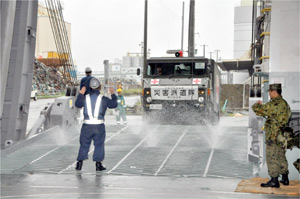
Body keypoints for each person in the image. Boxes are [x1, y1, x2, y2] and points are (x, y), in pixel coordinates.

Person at [252, 83, 291, 188]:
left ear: (274, 92)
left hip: (273, 135)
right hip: (283, 136)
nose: (269, 93)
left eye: (269, 91)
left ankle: (274, 180)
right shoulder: (285, 103)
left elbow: (259, 110)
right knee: (281, 156)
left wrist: (257, 104)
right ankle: (285, 178)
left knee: (272, 157)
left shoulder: (274, 103)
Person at [75, 78, 117, 171]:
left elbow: (78, 104)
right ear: (100, 87)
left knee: (84, 145)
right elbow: (114, 104)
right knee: (99, 145)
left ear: (90, 87)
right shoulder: (104, 99)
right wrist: (113, 93)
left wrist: (81, 93)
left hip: (86, 126)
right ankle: (98, 165)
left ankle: (79, 164)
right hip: (99, 126)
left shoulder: (85, 98)